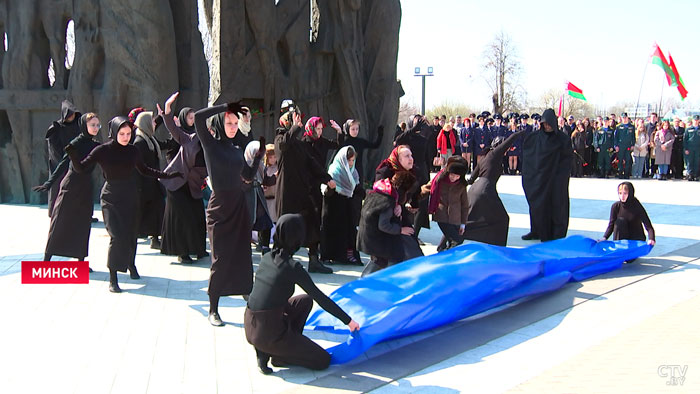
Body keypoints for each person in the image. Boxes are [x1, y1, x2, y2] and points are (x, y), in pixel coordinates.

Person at [66, 116, 180, 293]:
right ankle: (113, 277)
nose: (126, 137)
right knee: (117, 236)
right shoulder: (102, 150)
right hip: (111, 197)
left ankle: (131, 265)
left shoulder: (133, 151)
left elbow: (145, 170)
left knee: (131, 235)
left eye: (129, 133)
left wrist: (168, 175)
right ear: (114, 132)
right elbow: (81, 168)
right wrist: (73, 155)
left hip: (131, 196)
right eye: (122, 133)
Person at [244, 214, 360, 374]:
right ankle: (279, 353)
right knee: (322, 360)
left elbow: (259, 298)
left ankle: (269, 353)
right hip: (268, 334)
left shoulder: (267, 258)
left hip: (251, 326)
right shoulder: (291, 267)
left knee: (304, 301)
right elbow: (321, 298)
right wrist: (349, 322)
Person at [194, 102, 265, 326]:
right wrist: (225, 106)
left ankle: (248, 295)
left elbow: (247, 176)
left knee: (243, 255)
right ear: (219, 124)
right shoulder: (211, 146)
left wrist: (258, 157)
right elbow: (197, 117)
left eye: (235, 123)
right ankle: (213, 308)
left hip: (239, 205)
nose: (233, 127)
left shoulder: (236, 151)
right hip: (219, 208)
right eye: (229, 123)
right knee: (220, 258)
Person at [34, 113, 100, 268]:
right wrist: (49, 183)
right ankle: (46, 260)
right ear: (84, 125)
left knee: (83, 224)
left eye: (98, 125)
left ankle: (81, 261)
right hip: (70, 186)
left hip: (85, 188)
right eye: (93, 125)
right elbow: (63, 164)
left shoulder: (97, 145)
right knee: (59, 222)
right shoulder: (75, 143)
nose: (96, 128)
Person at [275, 110, 336, 274]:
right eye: (294, 120)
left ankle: (314, 260)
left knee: (313, 224)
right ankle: (282, 262)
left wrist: (326, 178)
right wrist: (294, 128)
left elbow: (312, 163)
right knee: (286, 227)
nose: (299, 123)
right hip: (287, 194)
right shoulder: (280, 139)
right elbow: (283, 146)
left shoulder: (300, 145)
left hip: (303, 193)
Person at [158, 93, 208, 263]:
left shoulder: (212, 148)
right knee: (182, 218)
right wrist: (167, 111)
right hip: (178, 184)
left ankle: (199, 249)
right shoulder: (189, 140)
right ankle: (182, 253)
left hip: (193, 187)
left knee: (197, 216)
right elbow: (173, 129)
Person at [521, 109, 572, 242]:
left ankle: (555, 234)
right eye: (545, 124)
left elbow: (567, 160)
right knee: (537, 204)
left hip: (555, 179)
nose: (547, 126)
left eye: (549, 124)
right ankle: (536, 230)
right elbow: (528, 157)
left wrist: (560, 177)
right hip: (538, 178)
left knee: (556, 206)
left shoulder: (562, 139)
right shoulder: (534, 138)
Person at [465, 130, 524, 246]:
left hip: (475, 190)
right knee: (503, 219)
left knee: (470, 220)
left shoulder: (484, 158)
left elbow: (471, 179)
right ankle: (499, 248)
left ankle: (449, 239)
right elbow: (509, 141)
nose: (507, 150)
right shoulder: (495, 154)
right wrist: (520, 133)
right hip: (486, 190)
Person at [357, 171, 420, 276]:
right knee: (390, 258)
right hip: (375, 238)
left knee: (381, 260)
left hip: (368, 235)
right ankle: (366, 281)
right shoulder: (388, 201)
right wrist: (400, 230)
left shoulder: (381, 191)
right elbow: (384, 225)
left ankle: (366, 281)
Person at [320, 146, 363, 265]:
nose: (350, 163)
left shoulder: (353, 172)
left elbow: (357, 188)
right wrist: (331, 187)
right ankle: (328, 256)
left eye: (353, 160)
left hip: (347, 206)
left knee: (349, 231)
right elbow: (327, 192)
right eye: (348, 160)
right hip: (333, 207)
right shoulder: (334, 170)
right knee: (333, 232)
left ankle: (347, 255)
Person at [133, 111, 166, 249]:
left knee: (157, 211)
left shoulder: (150, 139)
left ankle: (155, 238)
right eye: (152, 121)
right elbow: (139, 167)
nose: (154, 123)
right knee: (143, 213)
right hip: (144, 185)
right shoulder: (140, 142)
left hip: (152, 182)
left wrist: (162, 116)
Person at [45, 100, 81, 217]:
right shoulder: (55, 128)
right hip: (60, 164)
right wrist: (64, 162)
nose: (72, 116)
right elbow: (53, 149)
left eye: (73, 114)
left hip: (76, 163)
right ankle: (56, 212)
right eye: (69, 114)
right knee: (58, 186)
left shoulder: (78, 126)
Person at [428, 157, 469, 251]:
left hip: (456, 218)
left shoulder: (462, 186)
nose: (454, 178)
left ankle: (441, 250)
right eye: (452, 175)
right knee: (456, 240)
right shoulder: (440, 180)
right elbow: (428, 188)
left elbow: (464, 205)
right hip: (441, 216)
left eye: (457, 176)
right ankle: (448, 255)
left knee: (454, 240)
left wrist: (463, 223)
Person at [243, 140, 274, 252]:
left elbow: (265, 180)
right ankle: (245, 248)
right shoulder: (244, 163)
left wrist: (275, 177)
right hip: (248, 196)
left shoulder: (260, 164)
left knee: (265, 221)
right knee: (248, 222)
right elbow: (246, 179)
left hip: (259, 194)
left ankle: (264, 246)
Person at [341, 119, 384, 183]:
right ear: (348, 129)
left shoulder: (360, 142)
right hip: (346, 171)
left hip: (358, 170)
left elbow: (375, 145)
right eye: (353, 129)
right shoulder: (344, 142)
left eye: (357, 129)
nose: (355, 131)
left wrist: (380, 134)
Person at [259, 144, 278, 252]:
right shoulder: (263, 168)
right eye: (271, 157)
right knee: (265, 223)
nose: (273, 159)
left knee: (276, 222)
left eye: (275, 157)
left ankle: (276, 244)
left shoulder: (278, 168)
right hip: (266, 200)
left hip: (275, 199)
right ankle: (263, 244)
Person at [614, 113, 635, 179]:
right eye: (623, 117)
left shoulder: (631, 126)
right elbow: (616, 137)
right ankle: (620, 173)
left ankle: (626, 174)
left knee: (628, 160)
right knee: (620, 160)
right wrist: (616, 145)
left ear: (627, 118)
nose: (624, 119)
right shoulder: (618, 126)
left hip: (628, 145)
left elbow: (633, 137)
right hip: (620, 145)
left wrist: (633, 144)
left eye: (625, 117)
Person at [683, 115, 700, 181]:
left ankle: (696, 175)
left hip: (698, 148)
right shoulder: (688, 129)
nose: (696, 121)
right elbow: (685, 140)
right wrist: (686, 148)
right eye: (694, 120)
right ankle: (690, 175)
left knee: (697, 162)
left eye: (697, 120)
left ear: (699, 121)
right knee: (689, 162)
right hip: (690, 148)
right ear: (692, 120)